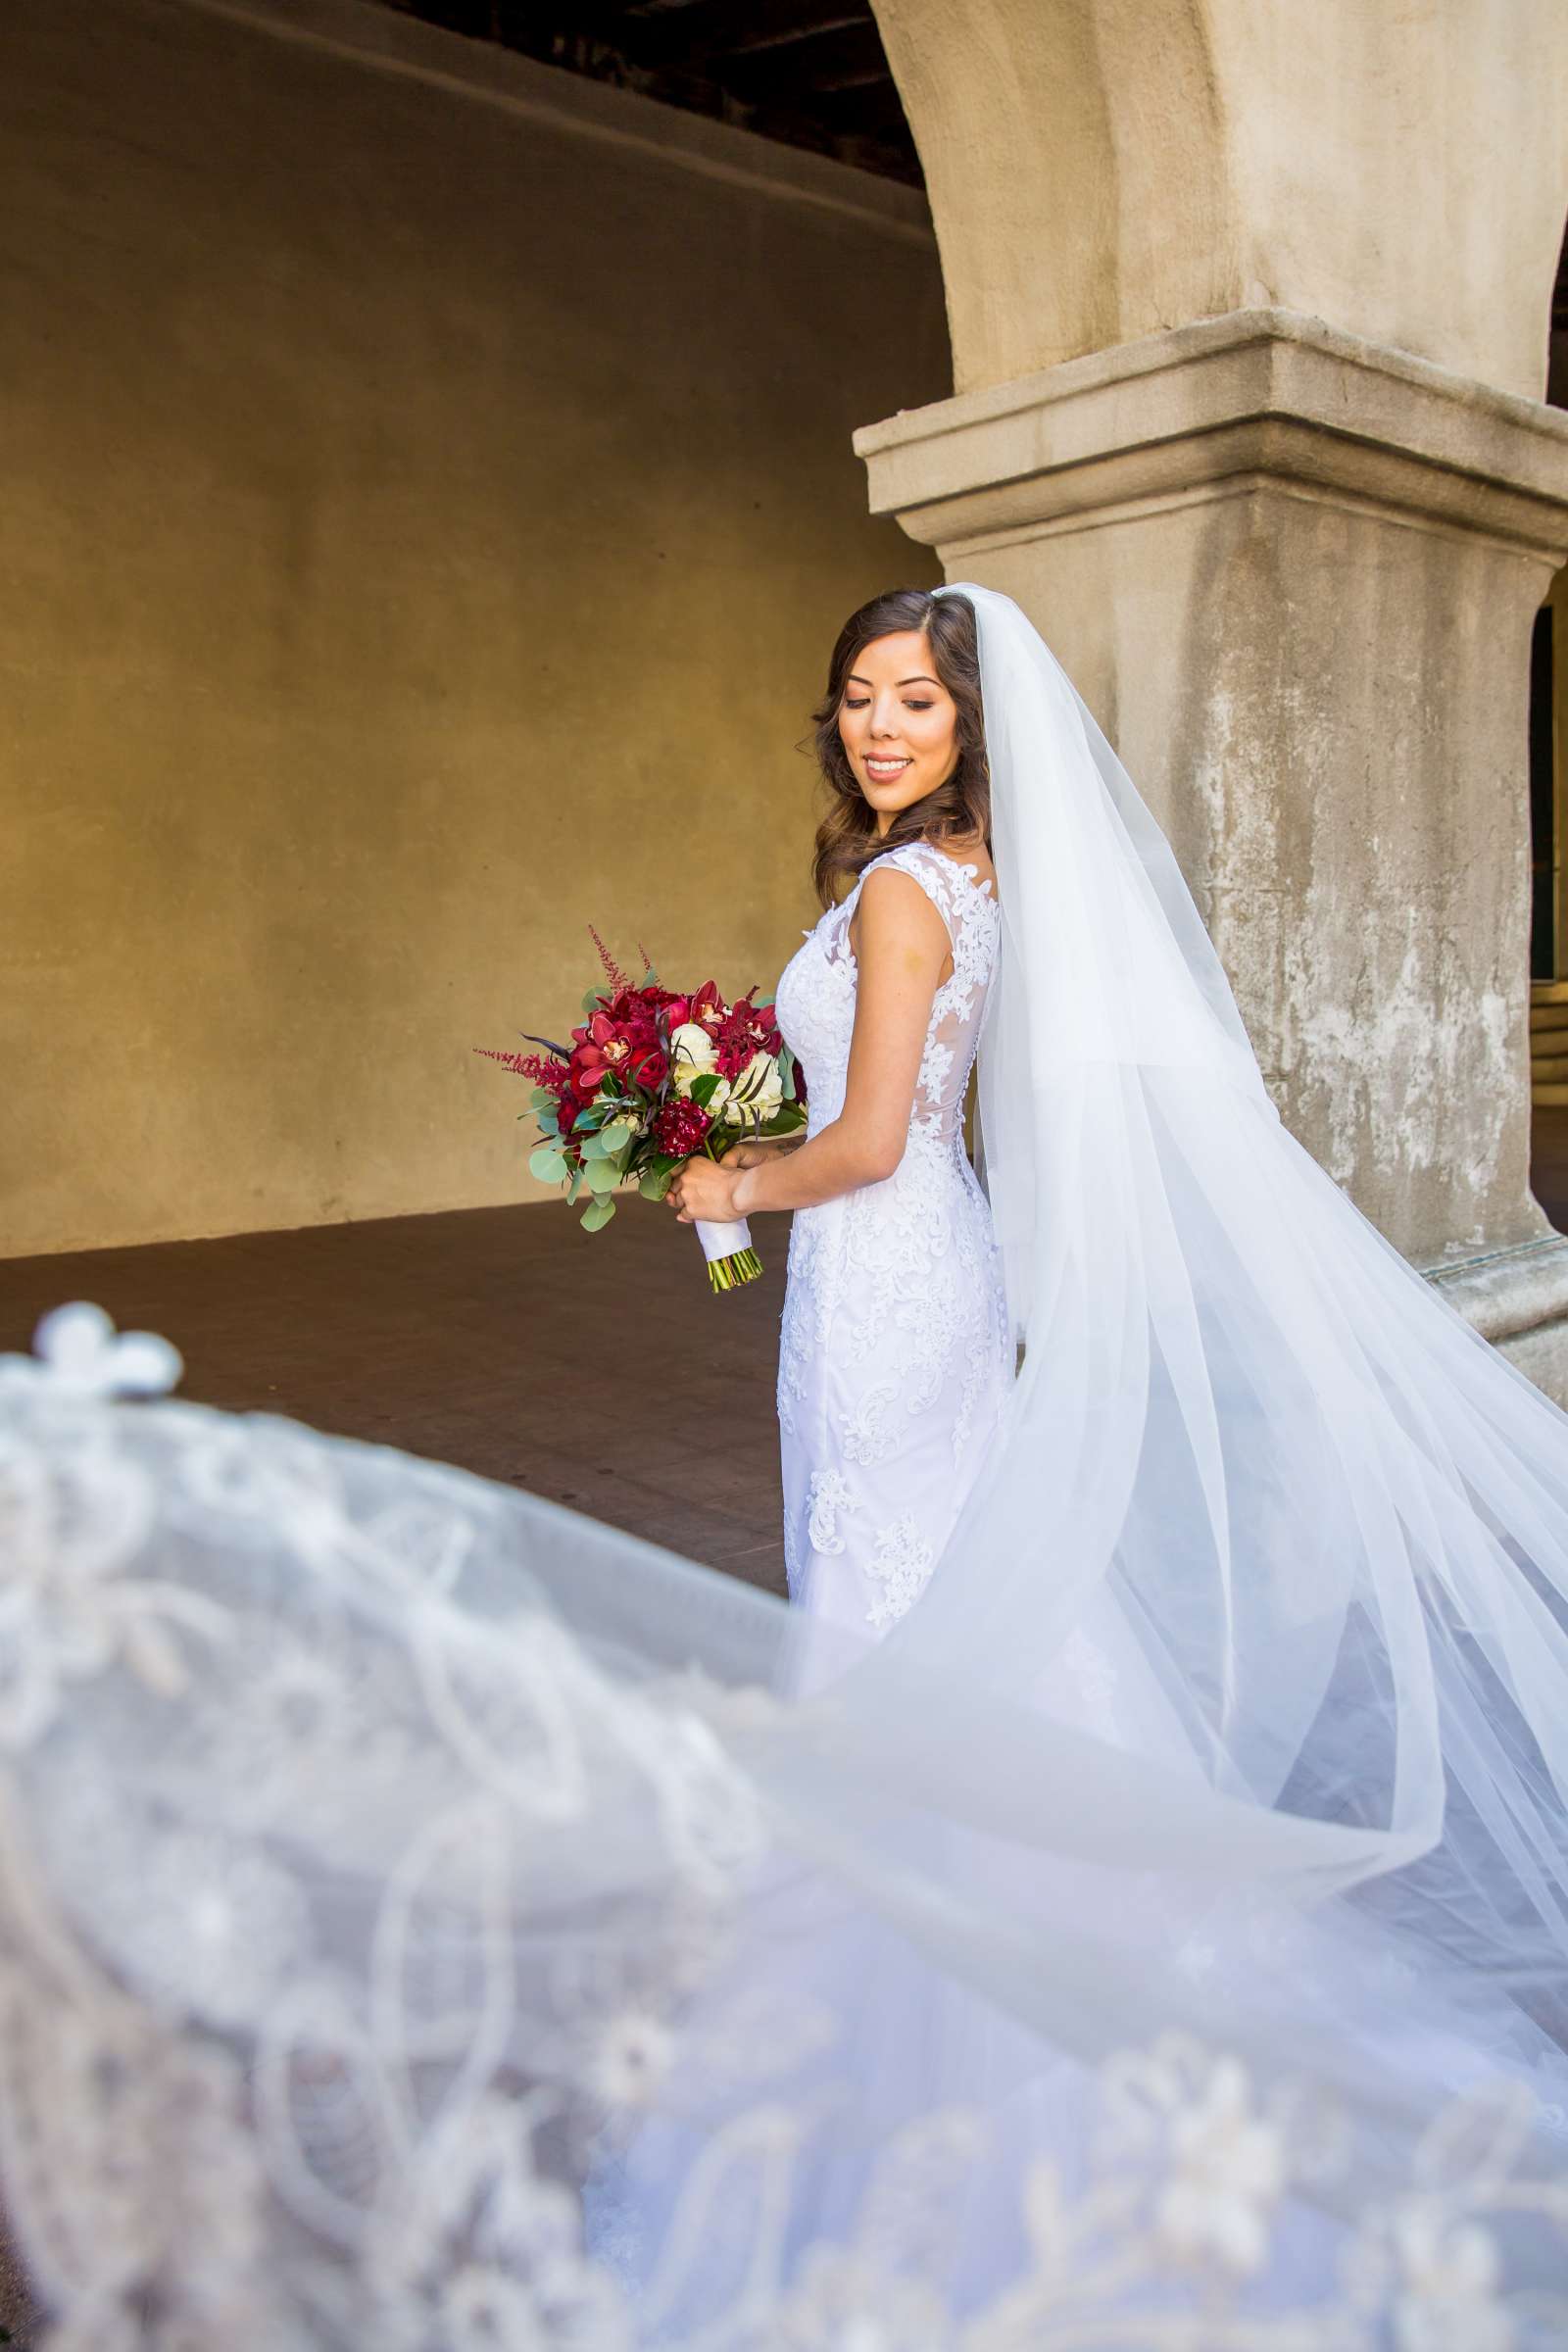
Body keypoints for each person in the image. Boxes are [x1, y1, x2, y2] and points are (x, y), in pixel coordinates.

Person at [667, 587, 1011, 1641]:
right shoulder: (968, 869)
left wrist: (739, 1188)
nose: (878, 728)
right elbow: (902, 1110)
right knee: (940, 1558)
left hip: (880, 1278)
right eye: (858, 699)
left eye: (916, 701)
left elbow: (868, 1145)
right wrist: (754, 1136)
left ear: (967, 718)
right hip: (933, 1245)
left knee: (876, 1573)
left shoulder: (903, 887)